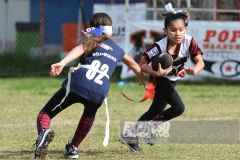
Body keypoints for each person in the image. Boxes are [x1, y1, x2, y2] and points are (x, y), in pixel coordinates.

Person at [33, 12, 147, 159]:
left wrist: (63, 62)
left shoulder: (91, 40)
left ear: (92, 28)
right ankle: (73, 148)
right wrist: (144, 81)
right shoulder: (118, 49)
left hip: (79, 82)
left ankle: (43, 132)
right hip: (99, 91)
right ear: (111, 29)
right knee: (89, 114)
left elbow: (80, 49)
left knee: (46, 113)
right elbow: (132, 63)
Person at [119, 3, 205, 152]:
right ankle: (147, 128)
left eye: (181, 30)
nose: (177, 34)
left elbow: (200, 62)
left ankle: (129, 135)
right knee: (178, 108)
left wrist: (194, 71)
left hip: (172, 80)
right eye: (173, 30)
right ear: (165, 31)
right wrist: (157, 74)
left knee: (153, 112)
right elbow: (142, 64)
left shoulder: (189, 41)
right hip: (160, 79)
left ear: (185, 30)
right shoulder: (160, 46)